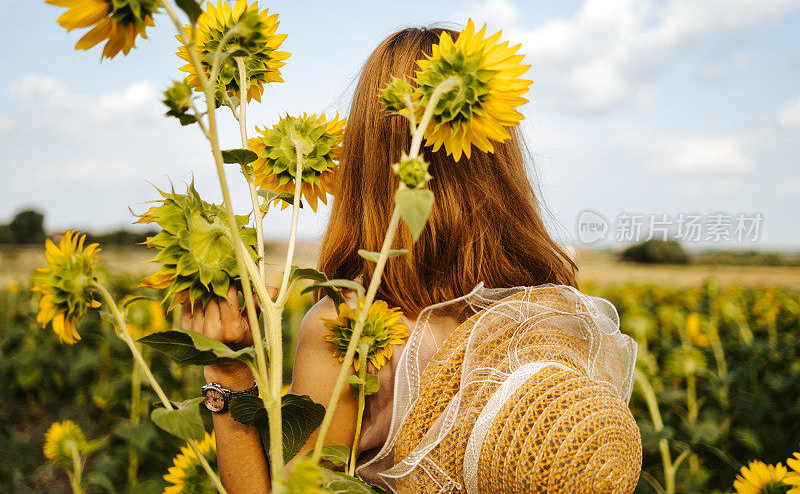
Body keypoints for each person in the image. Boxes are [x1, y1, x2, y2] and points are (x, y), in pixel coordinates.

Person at [181, 25, 579, 493]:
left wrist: (226, 372)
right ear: (499, 156)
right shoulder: (558, 308)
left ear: (368, 158)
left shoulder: (347, 331)